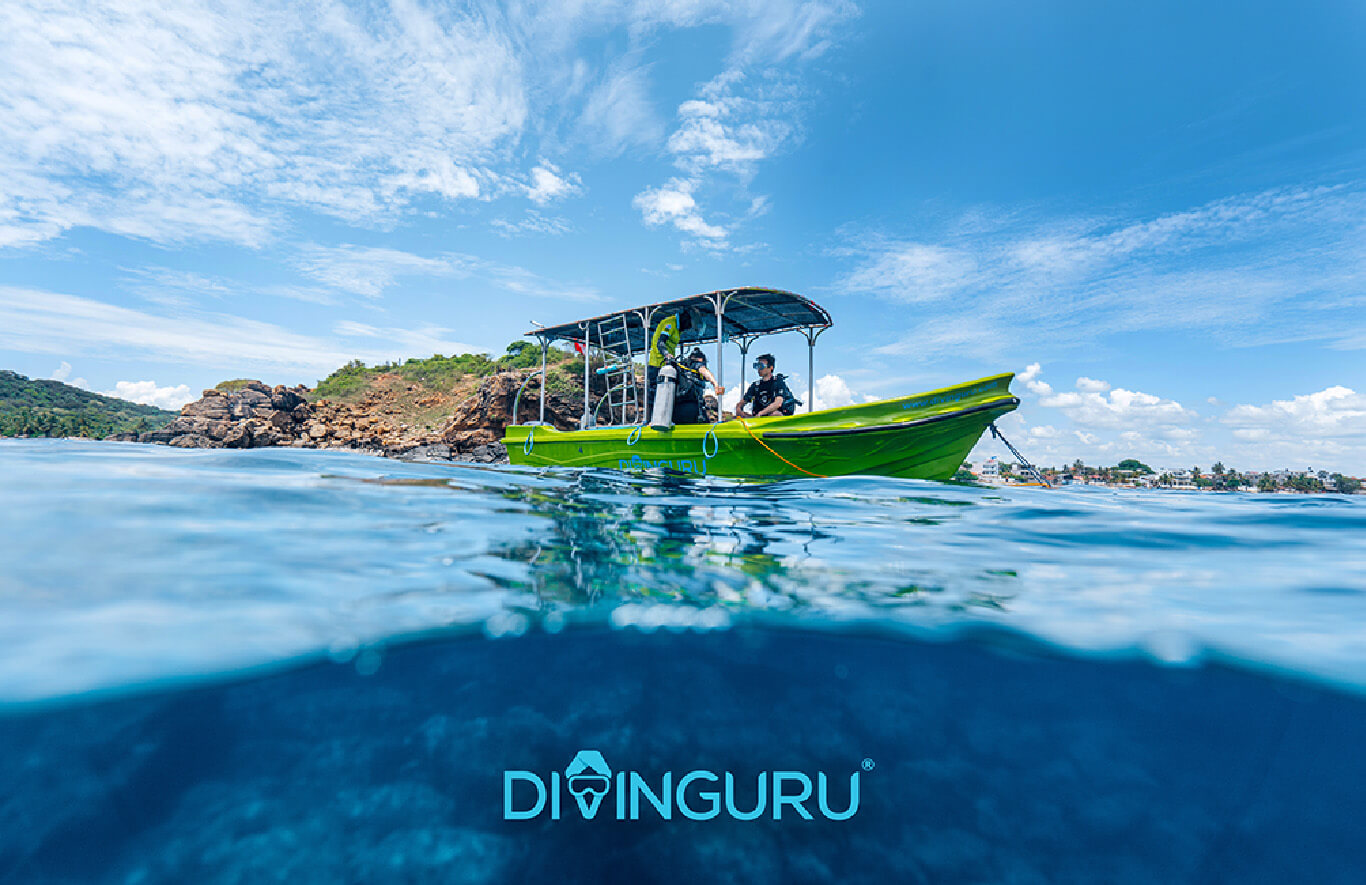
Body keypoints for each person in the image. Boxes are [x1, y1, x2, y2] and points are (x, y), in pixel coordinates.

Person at [644, 312, 690, 418]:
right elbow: (660, 342)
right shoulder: (669, 323)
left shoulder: (678, 329)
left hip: (667, 365)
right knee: (654, 391)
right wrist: (666, 354)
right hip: (657, 363)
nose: (687, 329)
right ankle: (650, 420)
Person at [673, 347, 725, 424]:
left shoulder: (680, 367)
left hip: (676, 409)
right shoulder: (697, 365)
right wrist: (715, 384)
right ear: (700, 359)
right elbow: (703, 371)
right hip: (692, 407)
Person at [737, 353, 798, 418]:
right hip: (759, 419)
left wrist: (761, 414)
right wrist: (740, 412)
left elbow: (778, 403)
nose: (758, 369)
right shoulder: (755, 386)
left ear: (771, 367)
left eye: (761, 366)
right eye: (756, 366)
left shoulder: (778, 383)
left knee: (775, 414)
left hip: (775, 419)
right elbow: (740, 405)